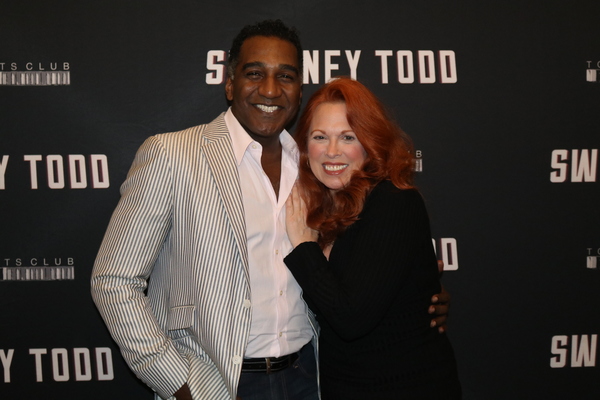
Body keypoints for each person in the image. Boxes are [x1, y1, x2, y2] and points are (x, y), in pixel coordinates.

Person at [91, 20, 451, 400]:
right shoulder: (173, 155)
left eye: (285, 76)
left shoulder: (317, 168)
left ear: (298, 90)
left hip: (311, 378)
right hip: (216, 384)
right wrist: (178, 383)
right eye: (254, 74)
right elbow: (113, 281)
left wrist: (417, 301)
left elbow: (362, 271)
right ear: (230, 84)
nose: (269, 89)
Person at [284, 77, 461, 399]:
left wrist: (304, 246)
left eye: (347, 137)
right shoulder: (319, 208)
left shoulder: (392, 201)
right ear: (305, 147)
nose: (332, 151)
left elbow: (351, 318)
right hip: (343, 386)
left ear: (370, 142)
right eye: (320, 136)